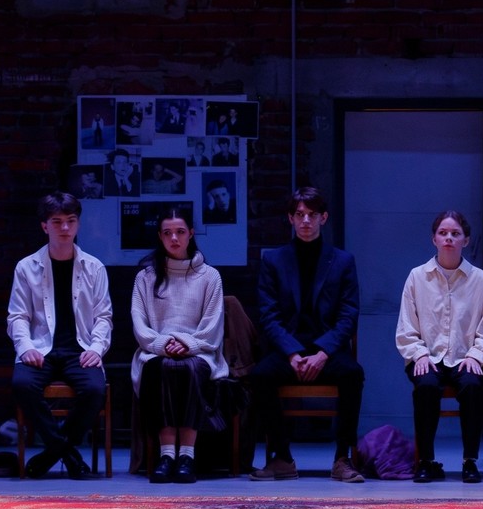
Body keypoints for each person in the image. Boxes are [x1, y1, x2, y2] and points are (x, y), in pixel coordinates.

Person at [250, 187, 365, 483]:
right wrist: (292, 353)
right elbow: (268, 315)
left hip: (327, 350)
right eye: (299, 214)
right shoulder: (274, 260)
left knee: (353, 374)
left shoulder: (342, 261)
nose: (305, 221)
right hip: (288, 349)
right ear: (290, 218)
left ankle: (342, 458)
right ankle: (282, 458)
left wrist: (323, 353)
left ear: (323, 218)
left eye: (312, 215)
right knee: (260, 376)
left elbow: (348, 315)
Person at [8, 192, 112, 480]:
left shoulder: (94, 267)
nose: (65, 228)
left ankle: (51, 454)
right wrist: (25, 347)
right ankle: (67, 453)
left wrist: (96, 348)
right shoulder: (26, 267)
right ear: (45, 226)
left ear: (78, 224)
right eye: (57, 222)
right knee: (22, 384)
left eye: (71, 221)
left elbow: (104, 317)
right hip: (41, 348)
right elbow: (17, 316)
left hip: (80, 349)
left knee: (94, 390)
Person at [395, 210, 483, 483]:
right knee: (426, 386)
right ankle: (426, 461)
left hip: (466, 356)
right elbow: (406, 326)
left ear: (466, 240)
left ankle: (470, 461)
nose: (449, 238)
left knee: (473, 387)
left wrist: (476, 355)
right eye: (443, 233)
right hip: (428, 356)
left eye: (455, 233)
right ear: (434, 239)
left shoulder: (479, 279)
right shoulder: (417, 277)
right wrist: (418, 354)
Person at [131, 208, 226, 484]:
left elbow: (212, 325)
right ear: (160, 236)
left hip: (200, 351)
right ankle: (166, 455)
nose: (174, 238)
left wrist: (188, 344)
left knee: (190, 368)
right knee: (162, 368)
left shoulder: (209, 276)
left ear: (191, 234)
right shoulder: (145, 277)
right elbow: (139, 324)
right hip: (155, 350)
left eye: (180, 232)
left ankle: (187, 456)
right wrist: (163, 344)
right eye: (168, 233)